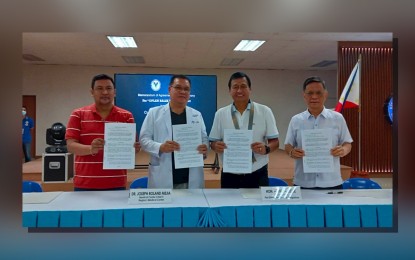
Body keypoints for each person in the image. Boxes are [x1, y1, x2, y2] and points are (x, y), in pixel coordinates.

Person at [65, 74, 140, 191]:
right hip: (85, 183)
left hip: (116, 182)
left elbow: (132, 148)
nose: (105, 92)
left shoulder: (126, 116)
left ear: (114, 92)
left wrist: (133, 149)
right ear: (92, 92)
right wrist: (91, 149)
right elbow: (70, 146)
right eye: (99, 88)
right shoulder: (78, 114)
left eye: (109, 88)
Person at [209, 72, 280, 188]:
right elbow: (212, 142)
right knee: (230, 205)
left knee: (257, 206)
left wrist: (266, 149)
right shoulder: (220, 114)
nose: (239, 90)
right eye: (235, 87)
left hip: (257, 172)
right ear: (229, 90)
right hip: (230, 173)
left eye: (243, 86)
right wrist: (215, 146)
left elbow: (275, 142)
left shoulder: (264, 111)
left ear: (250, 89)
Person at [139, 75, 209, 189]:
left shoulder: (196, 114)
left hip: (191, 177)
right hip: (163, 177)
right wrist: (160, 147)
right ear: (169, 89)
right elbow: (143, 140)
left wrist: (205, 148)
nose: (182, 92)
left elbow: (204, 138)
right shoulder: (154, 113)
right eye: (178, 88)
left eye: (186, 89)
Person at [284, 76, 353, 189]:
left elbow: (347, 143)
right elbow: (288, 145)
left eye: (319, 93)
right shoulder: (296, 120)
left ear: (325, 94)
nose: (314, 97)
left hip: (331, 182)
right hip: (303, 182)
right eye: (310, 93)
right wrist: (292, 152)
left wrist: (343, 150)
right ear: (304, 95)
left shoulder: (337, 118)